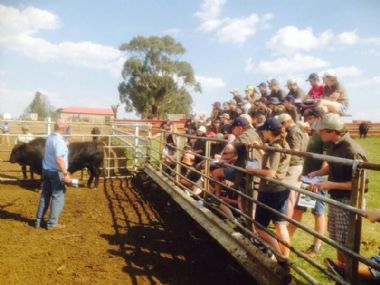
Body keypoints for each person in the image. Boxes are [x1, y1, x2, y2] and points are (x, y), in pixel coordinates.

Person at [309, 113, 367, 270]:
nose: (318, 133)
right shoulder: (334, 144)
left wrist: (331, 185)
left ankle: (350, 273)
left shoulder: (352, 150)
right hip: (337, 199)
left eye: (321, 131)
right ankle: (341, 269)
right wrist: (318, 173)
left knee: (347, 242)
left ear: (331, 131)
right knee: (337, 238)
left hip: (349, 201)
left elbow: (362, 186)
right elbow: (333, 164)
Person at [247, 118, 291, 258]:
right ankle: (285, 257)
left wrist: (251, 170)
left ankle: (278, 254)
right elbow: (274, 164)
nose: (262, 133)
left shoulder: (275, 148)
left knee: (259, 227)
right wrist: (260, 149)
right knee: (280, 225)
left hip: (270, 190)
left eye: (264, 130)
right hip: (281, 188)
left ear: (269, 131)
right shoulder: (283, 144)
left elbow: (271, 173)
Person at [287, 109, 327, 255]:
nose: (308, 121)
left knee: (318, 212)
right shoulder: (315, 135)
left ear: (316, 118)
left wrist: (317, 180)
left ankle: (317, 245)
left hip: (315, 181)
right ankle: (285, 241)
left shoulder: (323, 137)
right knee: (299, 209)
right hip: (308, 178)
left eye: (309, 118)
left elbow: (326, 160)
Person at [35, 119, 72, 229]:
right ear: (63, 129)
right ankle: (52, 223)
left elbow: (55, 149)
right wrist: (65, 174)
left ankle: (38, 221)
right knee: (57, 197)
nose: (67, 129)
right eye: (67, 127)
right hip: (56, 173)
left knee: (45, 196)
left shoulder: (50, 137)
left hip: (46, 171)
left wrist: (65, 143)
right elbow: (59, 159)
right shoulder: (59, 141)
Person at [276, 114, 308, 222]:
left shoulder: (293, 132)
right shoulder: (299, 130)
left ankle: (286, 219)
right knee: (292, 193)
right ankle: (289, 219)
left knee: (288, 194)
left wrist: (282, 154)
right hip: (297, 165)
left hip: (294, 165)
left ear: (285, 122)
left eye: (281, 124)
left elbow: (296, 149)